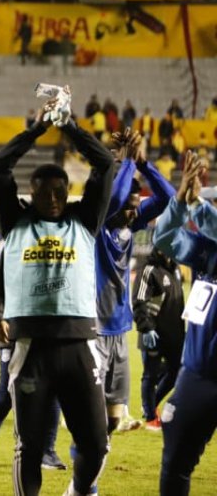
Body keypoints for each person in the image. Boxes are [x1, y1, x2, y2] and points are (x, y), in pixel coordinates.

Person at [0, 95, 115, 496]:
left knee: (96, 444)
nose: (54, 199)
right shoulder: (15, 221)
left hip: (80, 345)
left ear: (69, 191)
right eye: (45, 193)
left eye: (61, 192)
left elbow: (105, 164)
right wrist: (39, 128)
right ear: (31, 194)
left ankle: (77, 491)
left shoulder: (85, 220)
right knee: (28, 448)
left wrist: (69, 125)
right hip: (31, 348)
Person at [94, 130, 173, 435]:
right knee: (91, 410)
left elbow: (168, 198)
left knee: (113, 416)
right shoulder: (98, 223)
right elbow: (115, 198)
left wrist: (142, 164)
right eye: (130, 206)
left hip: (119, 323)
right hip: (94, 324)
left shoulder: (130, 222)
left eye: (136, 206)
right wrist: (126, 163)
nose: (134, 212)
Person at [151, 151, 217, 494]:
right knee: (175, 461)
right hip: (199, 374)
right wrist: (179, 202)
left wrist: (198, 207)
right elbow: (163, 240)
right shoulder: (208, 252)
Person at [0, 247, 68, 470]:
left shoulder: (56, 243)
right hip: (13, 326)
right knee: (8, 389)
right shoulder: (9, 245)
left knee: (53, 386)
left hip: (48, 327)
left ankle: (48, 450)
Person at [132, 247, 184, 429]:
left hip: (175, 334)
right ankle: (150, 417)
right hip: (153, 334)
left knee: (176, 371)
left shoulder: (176, 269)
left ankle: (151, 403)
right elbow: (139, 301)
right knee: (150, 375)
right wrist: (146, 328)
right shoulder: (148, 270)